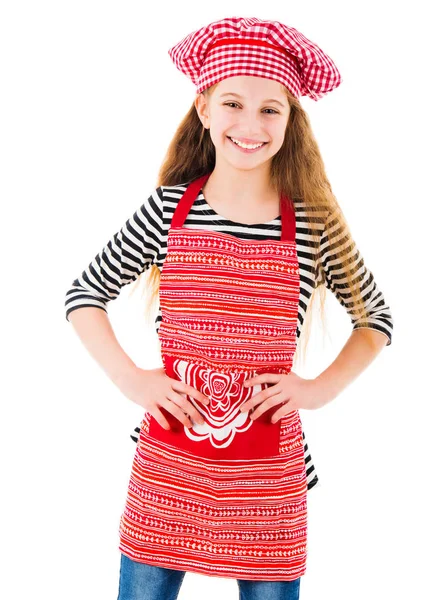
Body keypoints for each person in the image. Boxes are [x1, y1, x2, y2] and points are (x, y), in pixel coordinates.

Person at [65, 16, 394, 600]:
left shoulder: (313, 227)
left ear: (292, 120)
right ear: (204, 110)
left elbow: (376, 319)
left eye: (272, 109)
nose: (250, 124)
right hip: (168, 467)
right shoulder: (168, 211)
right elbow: (83, 295)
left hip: (268, 479)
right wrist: (134, 381)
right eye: (233, 103)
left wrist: (317, 390)